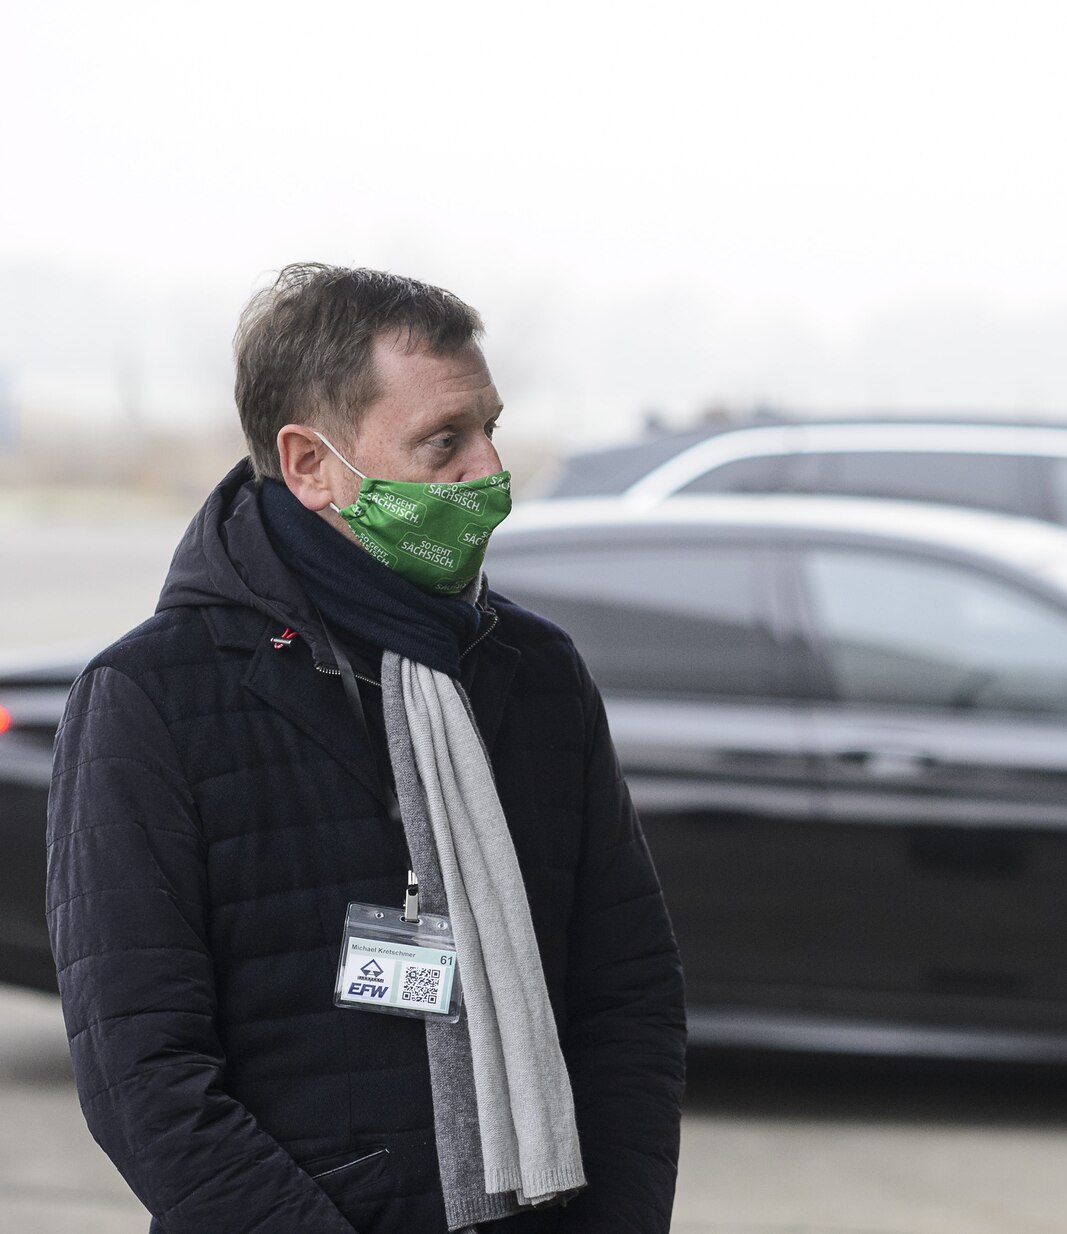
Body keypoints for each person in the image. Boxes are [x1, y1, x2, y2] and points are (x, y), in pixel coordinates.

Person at [47, 264, 687, 1233]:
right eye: (444, 441)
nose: (489, 471)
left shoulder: (535, 674)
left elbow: (629, 999)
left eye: (489, 427)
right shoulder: (153, 697)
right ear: (310, 465)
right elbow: (142, 1071)